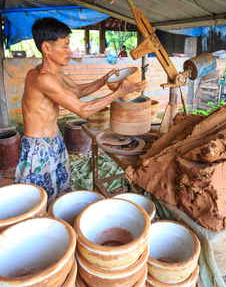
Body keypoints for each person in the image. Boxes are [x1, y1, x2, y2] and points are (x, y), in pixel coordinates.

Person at [15, 18, 146, 205]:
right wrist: (120, 92)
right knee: (38, 201)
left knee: (59, 193)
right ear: (46, 48)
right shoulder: (41, 79)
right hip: (39, 148)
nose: (70, 51)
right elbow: (83, 110)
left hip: (55, 141)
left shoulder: (57, 74)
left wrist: (105, 79)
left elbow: (78, 91)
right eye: (65, 46)